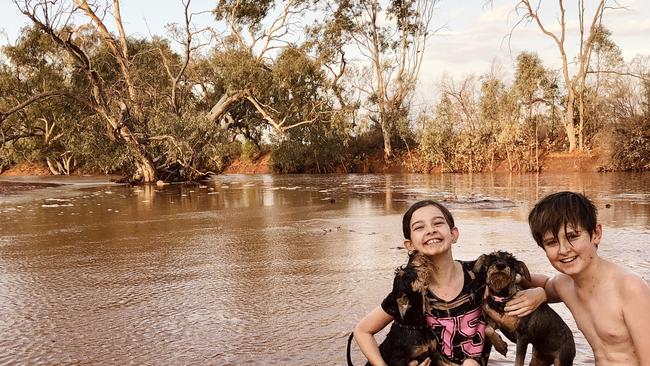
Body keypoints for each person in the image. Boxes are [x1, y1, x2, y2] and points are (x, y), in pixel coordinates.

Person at [353, 200, 542, 366]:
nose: (430, 230)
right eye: (419, 227)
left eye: (438, 223)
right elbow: (362, 331)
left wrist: (540, 293)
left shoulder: (481, 274)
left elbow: (552, 284)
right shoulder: (410, 290)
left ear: (454, 234)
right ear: (410, 245)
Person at [522, 191, 650, 365]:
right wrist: (519, 281)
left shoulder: (629, 288)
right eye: (552, 242)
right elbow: (545, 283)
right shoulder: (564, 285)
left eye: (573, 236)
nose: (563, 250)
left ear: (596, 234)